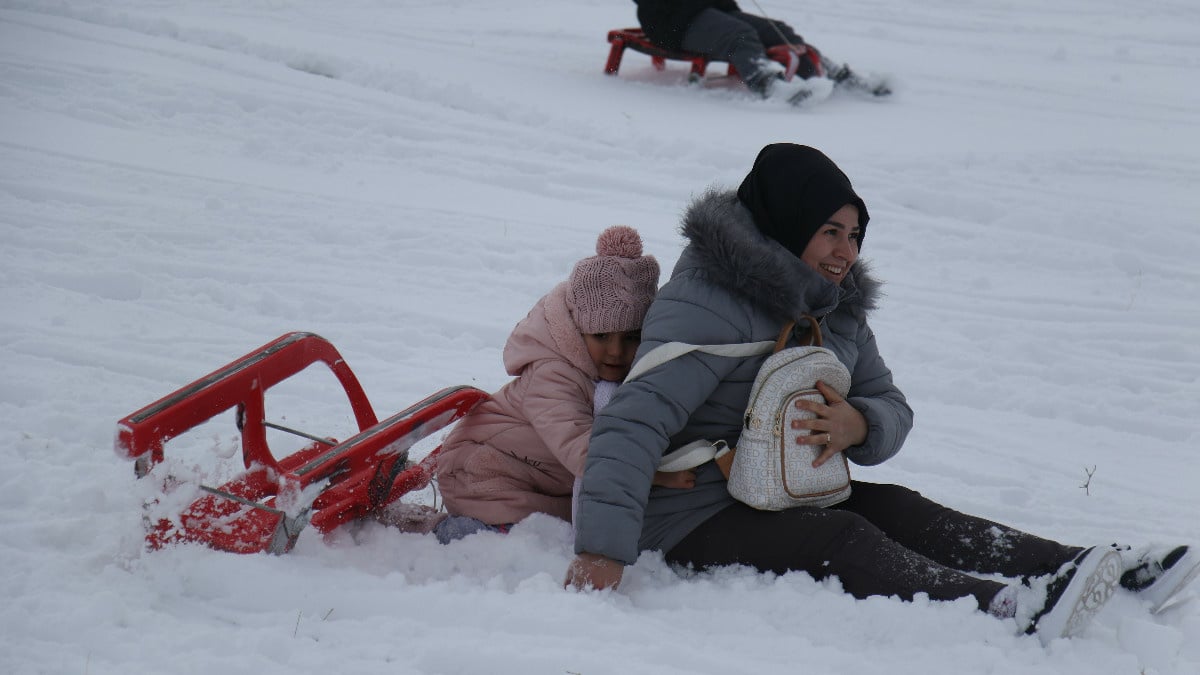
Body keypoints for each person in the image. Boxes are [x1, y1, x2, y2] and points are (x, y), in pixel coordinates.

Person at [566, 144, 1197, 643]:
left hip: (779, 489)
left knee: (899, 508)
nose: (847, 252)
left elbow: (891, 404)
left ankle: (1088, 566)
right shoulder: (707, 301)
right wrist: (602, 549)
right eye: (831, 232)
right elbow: (634, 423)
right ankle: (1007, 607)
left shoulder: (833, 308)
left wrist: (859, 426)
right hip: (686, 513)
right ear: (786, 222)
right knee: (840, 538)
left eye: (856, 234)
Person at [433, 225, 694, 544]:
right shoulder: (554, 374)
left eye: (631, 338)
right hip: (484, 476)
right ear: (577, 330)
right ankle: (444, 534)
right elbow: (582, 449)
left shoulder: (613, 371)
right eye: (601, 337)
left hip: (541, 480)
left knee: (565, 524)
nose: (615, 351)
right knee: (525, 543)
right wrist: (657, 476)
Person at [631, 0, 890, 103]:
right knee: (740, 37)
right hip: (672, 19)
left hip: (712, 7)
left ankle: (828, 74)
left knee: (779, 32)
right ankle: (769, 85)